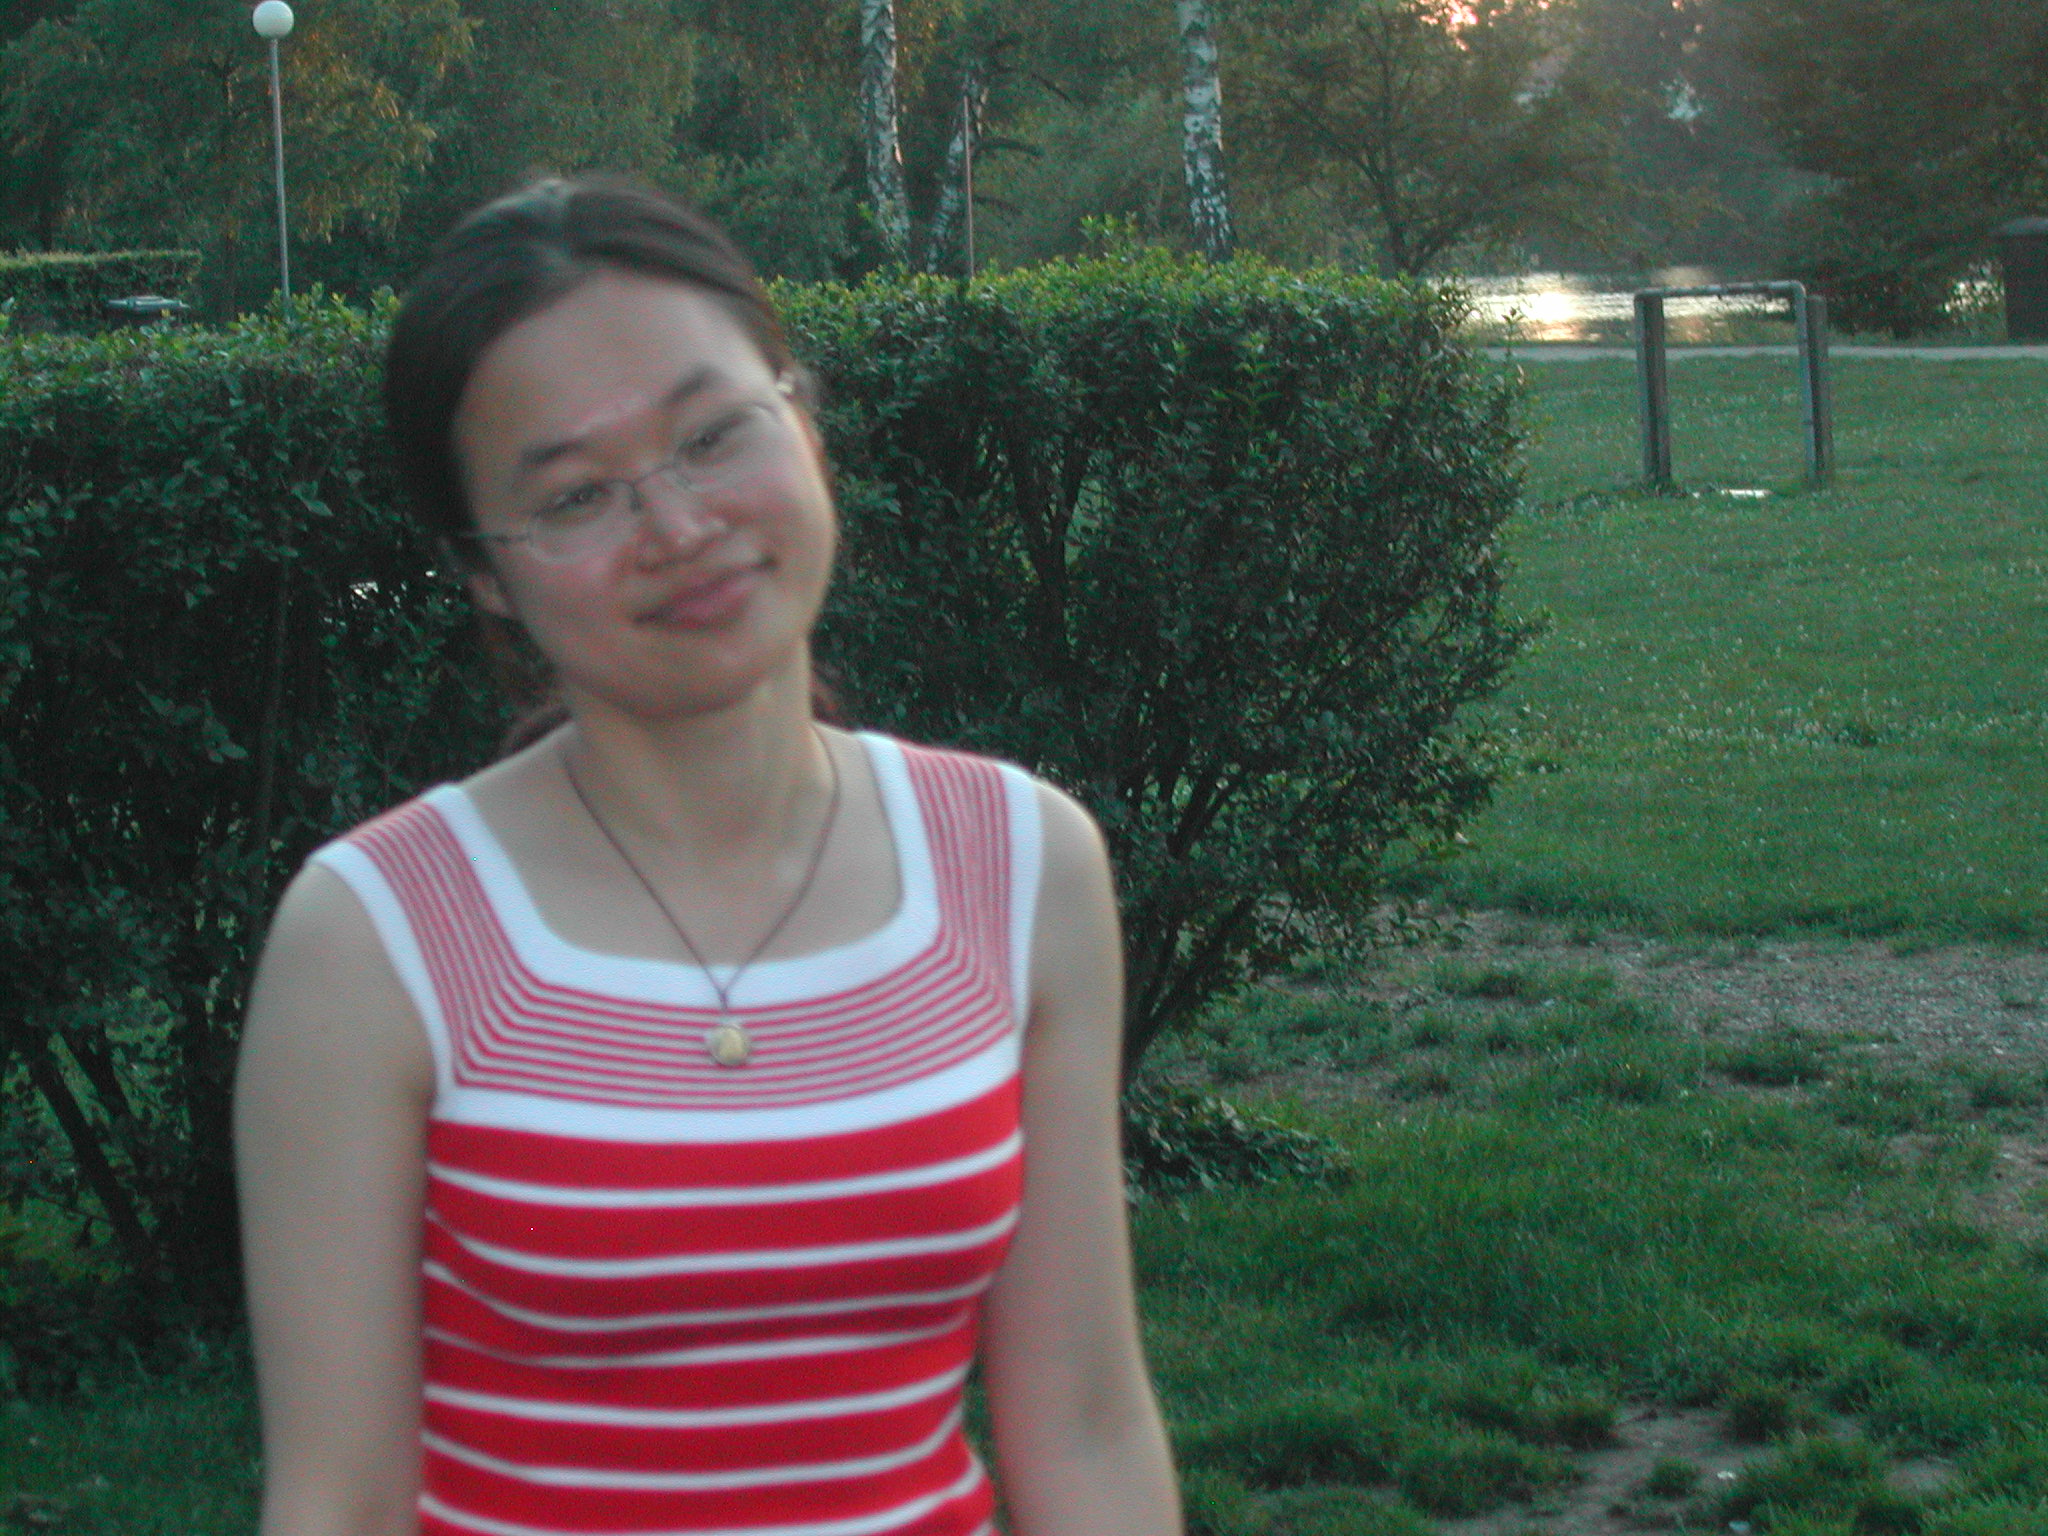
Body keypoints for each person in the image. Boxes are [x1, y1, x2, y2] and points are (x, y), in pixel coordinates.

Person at [233, 177, 1182, 1536]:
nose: (678, 528)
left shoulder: (1022, 864)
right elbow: (340, 1501)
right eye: (576, 496)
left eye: (714, 433)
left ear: (806, 419)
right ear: (483, 572)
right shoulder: (375, 937)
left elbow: (1086, 1425)